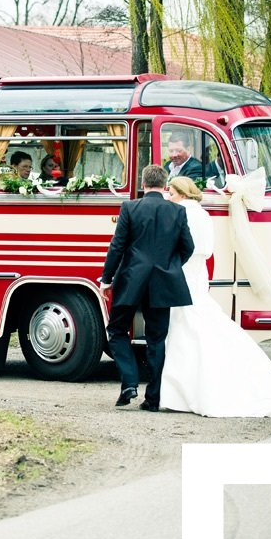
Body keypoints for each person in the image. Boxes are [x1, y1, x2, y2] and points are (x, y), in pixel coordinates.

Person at [159, 176, 271, 417]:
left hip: (183, 270)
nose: (168, 196)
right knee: (197, 320)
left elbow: (177, 245)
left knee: (183, 326)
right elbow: (206, 249)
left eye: (171, 192)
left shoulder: (180, 212)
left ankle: (182, 392)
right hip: (198, 272)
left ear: (182, 193)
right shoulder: (203, 214)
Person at [99, 164, 195, 410]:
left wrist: (107, 278)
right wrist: (171, 266)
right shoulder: (177, 211)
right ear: (165, 186)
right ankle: (153, 399)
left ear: (143, 184)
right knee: (156, 339)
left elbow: (117, 246)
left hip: (131, 280)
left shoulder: (130, 207)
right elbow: (188, 248)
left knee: (117, 330)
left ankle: (129, 382)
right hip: (163, 282)